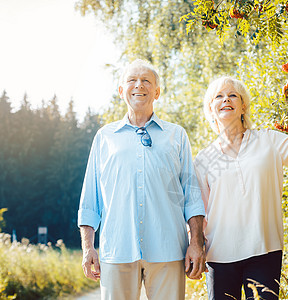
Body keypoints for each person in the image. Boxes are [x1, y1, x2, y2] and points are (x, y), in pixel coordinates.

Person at [77, 59, 206, 300]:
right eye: (132, 80)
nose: (139, 85)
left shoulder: (176, 135)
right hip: (117, 248)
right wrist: (88, 248)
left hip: (168, 249)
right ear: (121, 91)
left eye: (146, 80)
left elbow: (192, 195)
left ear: (157, 92)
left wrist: (196, 243)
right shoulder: (104, 137)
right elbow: (90, 199)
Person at [194, 76, 288, 300]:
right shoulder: (203, 159)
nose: (225, 99)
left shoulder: (269, 141)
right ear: (211, 108)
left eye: (232, 95)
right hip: (219, 256)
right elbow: (200, 213)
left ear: (243, 105)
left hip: (264, 249)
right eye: (219, 96)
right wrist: (195, 248)